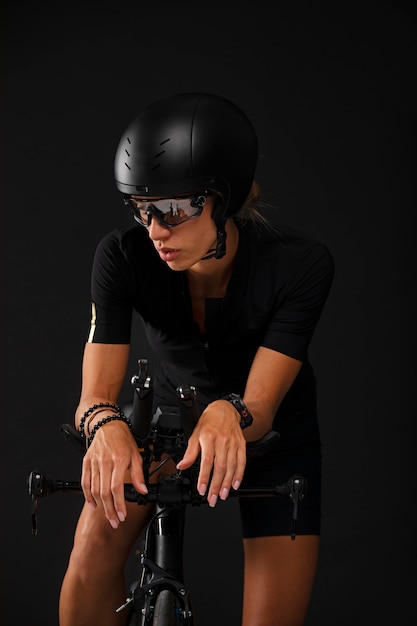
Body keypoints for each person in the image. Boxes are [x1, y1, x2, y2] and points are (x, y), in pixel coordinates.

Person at [59, 92, 334, 626]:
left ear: (222, 199)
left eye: (176, 209)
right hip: (169, 421)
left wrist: (228, 411)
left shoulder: (302, 266)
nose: (156, 230)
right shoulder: (121, 256)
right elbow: (93, 397)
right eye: (143, 210)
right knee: (91, 550)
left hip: (272, 433)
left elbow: (260, 402)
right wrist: (106, 424)